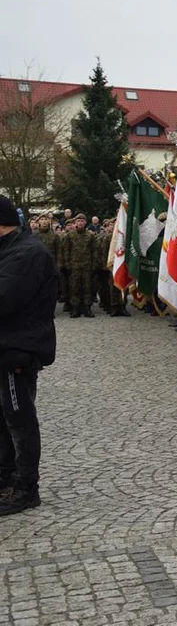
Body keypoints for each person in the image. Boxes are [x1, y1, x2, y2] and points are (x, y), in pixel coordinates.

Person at [0, 195, 57, 515]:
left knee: (19, 420)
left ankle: (26, 487)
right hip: (6, 346)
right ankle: (6, 476)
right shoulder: (10, 250)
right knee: (3, 419)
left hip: (17, 349)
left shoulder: (27, 254)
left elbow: (4, 298)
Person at [60, 214, 96, 318]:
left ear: (85, 222)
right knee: (74, 287)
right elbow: (66, 251)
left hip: (87, 266)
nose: (80, 223)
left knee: (87, 287)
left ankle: (87, 308)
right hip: (74, 266)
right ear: (75, 223)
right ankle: (75, 309)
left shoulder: (90, 235)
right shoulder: (70, 235)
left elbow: (94, 251)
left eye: (82, 221)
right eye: (78, 221)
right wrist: (67, 265)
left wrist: (94, 265)